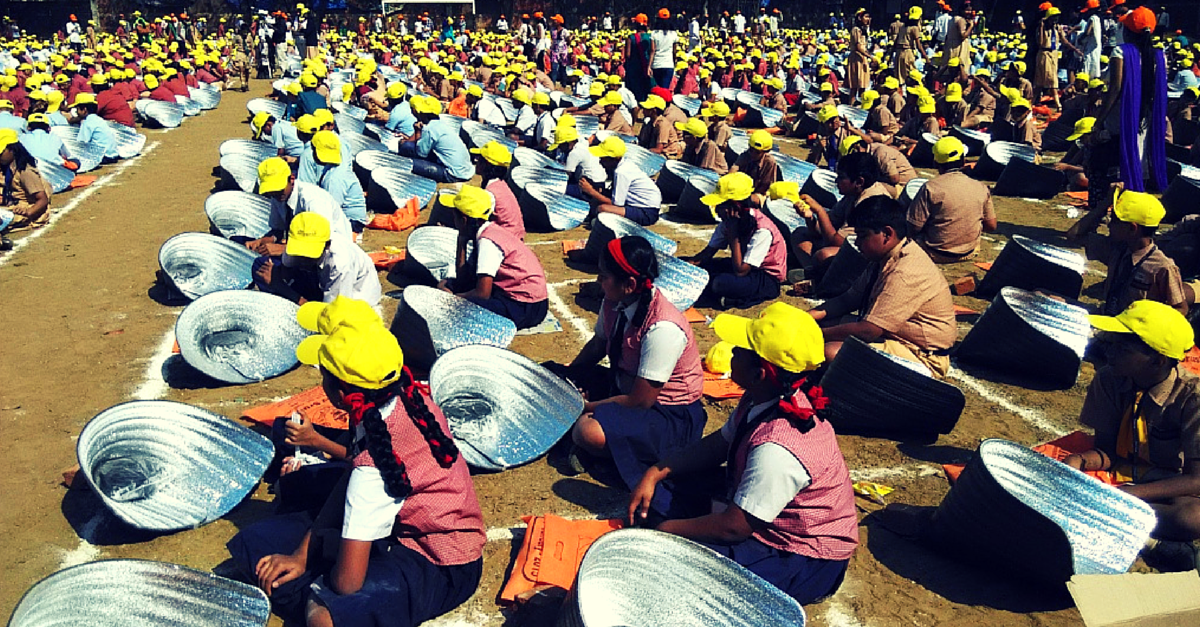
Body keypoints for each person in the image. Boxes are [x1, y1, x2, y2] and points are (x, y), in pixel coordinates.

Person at [227, 299, 484, 626]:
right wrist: (304, 554)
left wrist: (316, 564)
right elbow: (350, 478)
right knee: (258, 541)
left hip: (440, 561)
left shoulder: (372, 470)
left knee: (321, 615)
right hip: (404, 520)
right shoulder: (405, 397)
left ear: (337, 392)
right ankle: (300, 581)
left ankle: (301, 593)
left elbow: (348, 582)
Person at [628, 302, 858, 604]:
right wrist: (656, 471)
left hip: (800, 556)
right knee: (658, 493)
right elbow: (719, 445)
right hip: (759, 516)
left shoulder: (778, 446)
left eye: (739, 349)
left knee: (677, 569)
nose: (731, 352)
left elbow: (734, 527)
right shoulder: (763, 398)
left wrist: (667, 531)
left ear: (759, 373)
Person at [558, 236, 705, 492]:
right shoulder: (615, 301)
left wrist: (581, 406)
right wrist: (568, 380)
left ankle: (607, 452)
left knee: (588, 431)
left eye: (603, 276)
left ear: (629, 284)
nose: (598, 281)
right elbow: (597, 345)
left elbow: (641, 401)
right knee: (551, 378)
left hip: (668, 414)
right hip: (624, 385)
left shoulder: (663, 327)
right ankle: (603, 440)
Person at [1065, 300, 1200, 571]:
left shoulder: (1192, 398)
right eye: (1111, 341)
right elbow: (1107, 451)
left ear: (1158, 360)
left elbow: (1196, 480)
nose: (1109, 351)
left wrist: (1131, 496)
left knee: (1192, 518)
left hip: (1173, 484)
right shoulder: (1109, 380)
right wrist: (1080, 461)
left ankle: (1117, 521)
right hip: (1128, 479)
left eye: (1122, 347)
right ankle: (1147, 538)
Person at [808, 196, 957, 377]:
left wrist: (814, 334)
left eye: (862, 236)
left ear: (887, 234)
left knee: (831, 353)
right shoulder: (884, 257)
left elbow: (868, 330)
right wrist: (805, 319)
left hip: (921, 356)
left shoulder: (905, 272)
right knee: (823, 322)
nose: (856, 242)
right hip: (896, 339)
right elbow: (848, 300)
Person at [438, 185, 549, 330]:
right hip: (526, 301)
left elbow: (482, 294)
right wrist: (461, 241)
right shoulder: (488, 230)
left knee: (454, 308)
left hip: (526, 307)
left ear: (464, 220)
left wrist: (454, 299)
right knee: (450, 286)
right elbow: (463, 278)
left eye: (454, 215)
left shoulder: (488, 243)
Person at [686, 172, 787, 309]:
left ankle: (729, 299)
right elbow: (707, 254)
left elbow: (741, 271)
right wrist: (688, 266)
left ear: (734, 207)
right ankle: (719, 295)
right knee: (703, 269)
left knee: (719, 283)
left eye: (719, 206)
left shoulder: (762, 230)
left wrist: (733, 235)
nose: (716, 210)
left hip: (765, 278)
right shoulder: (729, 222)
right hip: (744, 267)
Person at [255, 212, 382, 311]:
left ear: (327, 245)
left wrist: (281, 288)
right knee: (260, 265)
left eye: (309, 253)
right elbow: (286, 268)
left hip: (354, 301)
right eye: (301, 252)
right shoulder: (296, 244)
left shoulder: (340, 263)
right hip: (320, 279)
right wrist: (275, 275)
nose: (303, 258)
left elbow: (330, 316)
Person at [1094, 188, 1188, 316]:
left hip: (1133, 330)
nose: (1109, 225)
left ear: (1132, 229)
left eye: (1115, 221)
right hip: (1106, 318)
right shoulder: (1117, 249)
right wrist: (1106, 202)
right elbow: (1074, 235)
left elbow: (1180, 308)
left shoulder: (1162, 267)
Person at [792, 152, 893, 271]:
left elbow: (836, 242)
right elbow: (826, 227)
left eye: (841, 177)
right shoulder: (852, 195)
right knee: (800, 234)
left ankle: (818, 278)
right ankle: (812, 272)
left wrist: (819, 211)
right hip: (849, 247)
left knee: (824, 255)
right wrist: (809, 218)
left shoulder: (869, 203)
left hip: (868, 256)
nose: (836, 181)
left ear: (859, 182)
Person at [907, 137, 998, 263]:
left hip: (934, 252)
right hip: (969, 251)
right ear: (963, 161)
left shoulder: (930, 188)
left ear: (935, 163)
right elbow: (991, 226)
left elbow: (913, 227)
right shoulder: (980, 187)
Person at [246, 157, 353, 256]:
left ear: (292, 179)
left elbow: (322, 243)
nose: (275, 194)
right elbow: (278, 230)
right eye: (271, 192)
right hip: (300, 247)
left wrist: (282, 249)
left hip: (331, 252)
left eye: (279, 189)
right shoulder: (278, 197)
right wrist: (263, 241)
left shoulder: (313, 200)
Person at [583, 136, 663, 226]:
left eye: (603, 158)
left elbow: (616, 204)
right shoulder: (625, 165)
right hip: (642, 207)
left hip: (646, 212)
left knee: (603, 208)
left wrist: (590, 191)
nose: (600, 161)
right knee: (598, 201)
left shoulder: (621, 172)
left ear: (614, 159)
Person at [304, 131, 367, 240]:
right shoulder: (334, 168)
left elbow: (333, 208)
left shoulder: (334, 178)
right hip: (350, 217)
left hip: (351, 221)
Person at [397, 96, 473, 183]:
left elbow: (421, 154)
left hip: (452, 174)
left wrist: (417, 131)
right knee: (408, 146)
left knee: (407, 162)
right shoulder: (441, 124)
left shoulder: (430, 129)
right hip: (464, 170)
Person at [0, 129, 52, 248]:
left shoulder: (25, 172)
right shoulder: (9, 168)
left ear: (12, 150)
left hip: (25, 210)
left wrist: (28, 212)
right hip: (12, 207)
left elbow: (42, 200)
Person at [470, 141, 526, 240]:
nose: (476, 162)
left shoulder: (490, 193)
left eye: (479, 159)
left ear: (486, 164)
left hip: (507, 240)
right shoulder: (500, 185)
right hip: (514, 236)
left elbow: (477, 222)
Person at [840, 136, 917, 198]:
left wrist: (873, 178)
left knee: (869, 188)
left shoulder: (880, 153)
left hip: (904, 187)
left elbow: (894, 179)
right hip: (894, 185)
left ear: (857, 147)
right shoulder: (870, 153)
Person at [729, 130, 779, 202]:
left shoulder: (769, 162)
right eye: (751, 150)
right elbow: (734, 168)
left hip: (760, 192)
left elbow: (765, 186)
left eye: (757, 152)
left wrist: (747, 195)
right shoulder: (746, 155)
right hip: (743, 189)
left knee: (753, 200)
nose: (753, 153)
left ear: (765, 152)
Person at [70, 93, 119, 162]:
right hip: (112, 154)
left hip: (103, 156)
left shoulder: (87, 122)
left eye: (77, 109)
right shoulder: (98, 119)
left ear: (84, 110)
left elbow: (81, 143)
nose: (76, 112)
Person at [637, 93, 683, 159]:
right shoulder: (650, 122)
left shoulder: (662, 125)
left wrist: (642, 152)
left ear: (654, 111)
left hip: (666, 154)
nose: (643, 111)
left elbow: (658, 150)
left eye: (646, 108)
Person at [622, 14, 654, 101]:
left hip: (633, 67)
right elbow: (652, 51)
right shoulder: (650, 37)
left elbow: (627, 55)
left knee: (634, 90)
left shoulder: (631, 38)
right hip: (646, 66)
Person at [648, 9, 678, 90]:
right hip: (668, 65)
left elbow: (652, 50)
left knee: (657, 90)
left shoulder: (654, 33)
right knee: (665, 89)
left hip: (656, 64)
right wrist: (674, 62)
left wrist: (649, 66)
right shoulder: (674, 34)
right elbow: (674, 51)